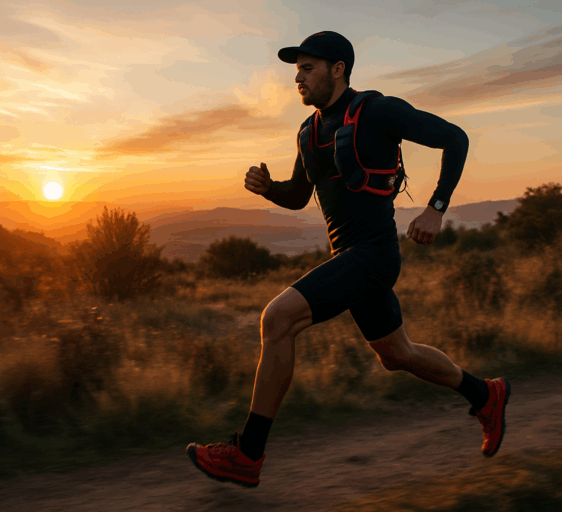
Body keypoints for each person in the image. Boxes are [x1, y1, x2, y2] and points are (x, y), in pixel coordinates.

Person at [186, 31, 510, 488]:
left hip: (374, 255)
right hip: (348, 257)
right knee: (397, 354)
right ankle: (486, 394)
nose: (297, 78)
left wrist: (436, 209)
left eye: (308, 67)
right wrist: (270, 188)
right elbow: (299, 196)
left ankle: (247, 453)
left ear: (338, 69)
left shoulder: (377, 111)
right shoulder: (308, 131)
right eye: (296, 69)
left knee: (277, 318)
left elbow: (455, 139)